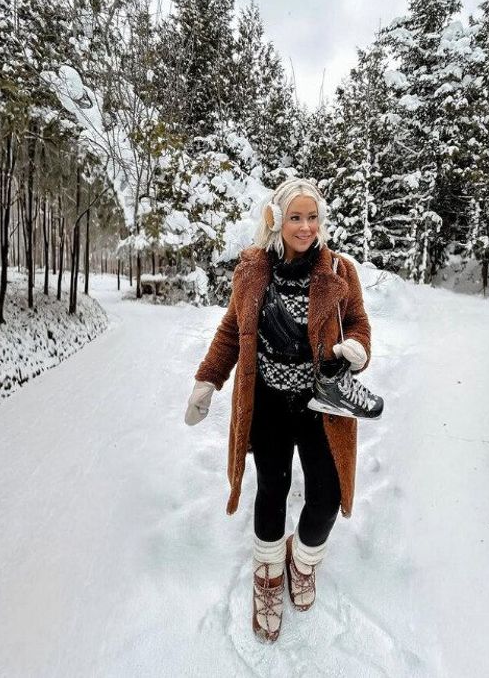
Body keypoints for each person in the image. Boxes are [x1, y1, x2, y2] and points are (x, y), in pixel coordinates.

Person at [183, 178, 373, 642]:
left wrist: (357, 349)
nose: (305, 227)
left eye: (312, 217)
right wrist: (207, 379)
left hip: (320, 404)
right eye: (295, 217)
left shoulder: (340, 272)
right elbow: (233, 330)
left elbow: (361, 325)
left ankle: (303, 559)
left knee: (327, 496)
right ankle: (268, 574)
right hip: (267, 401)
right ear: (276, 220)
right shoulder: (252, 271)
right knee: (272, 488)